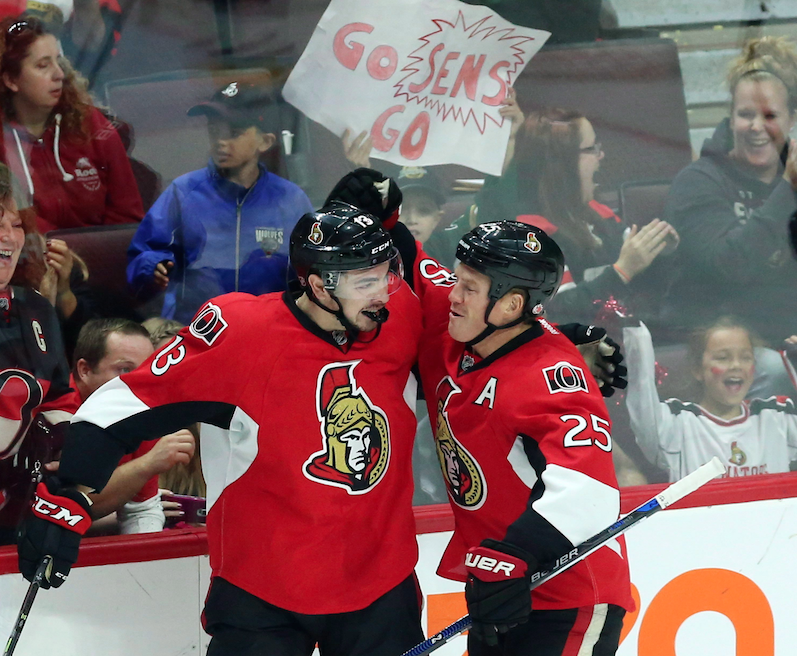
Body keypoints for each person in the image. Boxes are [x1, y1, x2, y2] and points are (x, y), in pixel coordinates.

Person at [19, 201, 429, 656]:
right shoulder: (243, 334)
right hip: (263, 590)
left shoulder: (401, 314)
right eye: (366, 281)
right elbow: (121, 405)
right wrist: (68, 491)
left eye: (386, 273)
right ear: (318, 285)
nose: (384, 292)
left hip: (380, 585)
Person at [409, 221, 633, 654]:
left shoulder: (552, 379)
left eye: (469, 288)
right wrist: (380, 216)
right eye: (458, 279)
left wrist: (516, 553)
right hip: (504, 590)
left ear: (511, 305)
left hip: (569, 596)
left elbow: (590, 492)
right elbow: (421, 272)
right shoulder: (469, 330)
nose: (454, 295)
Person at [127, 80, 313, 324]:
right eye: (214, 130)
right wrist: (152, 265)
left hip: (268, 329)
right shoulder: (183, 193)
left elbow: (310, 274)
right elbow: (143, 252)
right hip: (195, 328)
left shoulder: (291, 201)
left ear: (265, 141)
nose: (221, 141)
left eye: (234, 133)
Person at [477, 107, 679, 325]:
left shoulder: (597, 212)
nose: (601, 155)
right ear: (563, 162)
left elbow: (646, 281)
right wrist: (622, 271)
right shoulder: (531, 235)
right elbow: (560, 311)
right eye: (592, 148)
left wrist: (661, 250)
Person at [663, 36, 797, 348]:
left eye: (770, 116)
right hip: (718, 348)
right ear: (731, 116)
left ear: (791, 120)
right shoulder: (698, 182)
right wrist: (788, 191)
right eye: (746, 114)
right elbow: (729, 267)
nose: (756, 126)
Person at [0, 15, 144, 231]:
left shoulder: (91, 124)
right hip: (27, 259)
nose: (59, 74)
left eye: (59, 61)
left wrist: (91, 257)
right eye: (42, 66)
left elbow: (128, 215)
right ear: (11, 80)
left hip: (100, 258)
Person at [53, 317, 196, 534]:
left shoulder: (140, 411)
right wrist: (148, 464)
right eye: (124, 370)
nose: (139, 382)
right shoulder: (54, 418)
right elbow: (73, 506)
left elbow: (141, 511)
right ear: (84, 370)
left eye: (147, 370)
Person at [625, 318, 797, 482]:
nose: (736, 365)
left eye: (745, 358)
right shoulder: (676, 426)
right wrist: (634, 330)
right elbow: (642, 394)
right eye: (723, 358)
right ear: (697, 369)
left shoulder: (777, 417)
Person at [0, 159, 71, 545]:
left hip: (23, 516)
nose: (8, 238)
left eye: (15, 226)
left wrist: (62, 444)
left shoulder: (35, 308)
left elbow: (61, 395)